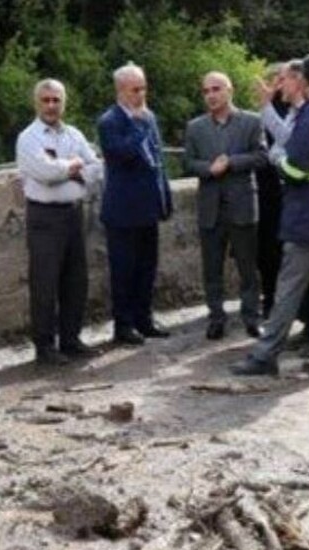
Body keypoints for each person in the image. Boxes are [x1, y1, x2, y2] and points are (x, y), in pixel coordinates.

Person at [231, 53, 309, 378]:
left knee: (288, 287)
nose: (281, 85)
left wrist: (276, 156)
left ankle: (265, 355)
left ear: (302, 81)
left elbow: (295, 170)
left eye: (286, 79)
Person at [15, 78, 104, 365]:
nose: (52, 105)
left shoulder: (73, 134)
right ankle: (45, 347)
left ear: (64, 102)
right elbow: (44, 172)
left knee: (75, 280)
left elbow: (96, 170)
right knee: (45, 282)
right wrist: (73, 167)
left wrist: (66, 170)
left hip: (72, 213)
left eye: (56, 100)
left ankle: (71, 339)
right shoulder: (29, 138)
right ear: (37, 103)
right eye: (46, 100)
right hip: (44, 216)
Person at [183, 71, 270, 340]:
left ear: (229, 91)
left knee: (247, 266)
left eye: (216, 89)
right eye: (206, 91)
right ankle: (216, 318)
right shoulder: (195, 127)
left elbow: (262, 156)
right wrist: (210, 168)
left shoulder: (251, 121)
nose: (211, 95)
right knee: (212, 267)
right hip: (210, 206)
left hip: (242, 203)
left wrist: (231, 162)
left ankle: (251, 317)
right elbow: (188, 163)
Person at [97, 62, 174, 346]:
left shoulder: (148, 117)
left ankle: (145, 319)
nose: (141, 94)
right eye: (135, 90)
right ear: (121, 91)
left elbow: (158, 161)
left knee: (147, 268)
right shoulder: (109, 122)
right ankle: (124, 325)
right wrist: (139, 126)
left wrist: (164, 198)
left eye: (143, 88)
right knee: (124, 270)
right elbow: (122, 154)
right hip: (123, 210)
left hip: (148, 208)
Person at [255, 61, 304, 318]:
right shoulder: (264, 113)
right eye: (274, 80)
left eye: (281, 79)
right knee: (268, 248)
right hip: (268, 189)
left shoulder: (300, 111)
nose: (277, 85)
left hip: (293, 187)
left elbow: (287, 142)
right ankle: (271, 299)